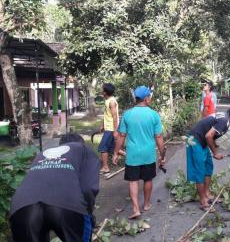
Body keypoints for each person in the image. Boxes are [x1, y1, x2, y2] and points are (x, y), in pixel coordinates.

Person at [9, 133, 100, 242]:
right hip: (66, 203)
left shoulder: (44, 153)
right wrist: (88, 213)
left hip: (22, 205)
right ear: (81, 142)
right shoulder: (84, 149)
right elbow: (88, 188)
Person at [112, 86, 165, 219]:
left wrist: (116, 152)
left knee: (133, 181)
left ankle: (136, 208)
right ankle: (146, 205)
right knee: (148, 179)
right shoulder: (154, 115)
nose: (150, 98)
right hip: (148, 155)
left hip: (133, 154)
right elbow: (158, 137)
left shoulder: (127, 114)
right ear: (146, 99)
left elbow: (121, 135)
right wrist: (162, 155)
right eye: (150, 96)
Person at [186, 104, 230, 212]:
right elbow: (208, 136)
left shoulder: (227, 118)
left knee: (208, 167)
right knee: (200, 170)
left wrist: (215, 146)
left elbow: (211, 136)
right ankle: (203, 201)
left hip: (203, 142)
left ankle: (207, 194)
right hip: (194, 140)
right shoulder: (224, 120)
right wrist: (215, 152)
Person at [98, 83, 119, 174]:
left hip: (111, 129)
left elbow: (115, 117)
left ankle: (105, 168)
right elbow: (106, 114)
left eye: (102, 89)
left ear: (105, 92)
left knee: (103, 147)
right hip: (108, 128)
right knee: (112, 148)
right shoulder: (107, 100)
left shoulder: (111, 102)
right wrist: (103, 125)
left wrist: (115, 131)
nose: (101, 90)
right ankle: (132, 157)